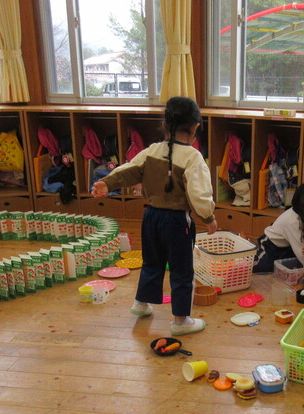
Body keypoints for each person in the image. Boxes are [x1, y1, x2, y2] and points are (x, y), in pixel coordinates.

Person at [92, 96, 217, 336]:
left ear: (165, 124)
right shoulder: (193, 157)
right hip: (177, 222)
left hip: (151, 217)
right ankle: (180, 321)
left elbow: (130, 169)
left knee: (152, 262)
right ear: (195, 127)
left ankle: (141, 303)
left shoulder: (152, 150)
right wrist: (208, 217)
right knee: (182, 271)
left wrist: (108, 182)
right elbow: (199, 194)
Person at [252, 182, 304, 273]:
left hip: (287, 247)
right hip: (271, 246)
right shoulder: (292, 221)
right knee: (258, 266)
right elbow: (301, 252)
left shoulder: (303, 217)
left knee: (288, 264)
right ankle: (247, 250)